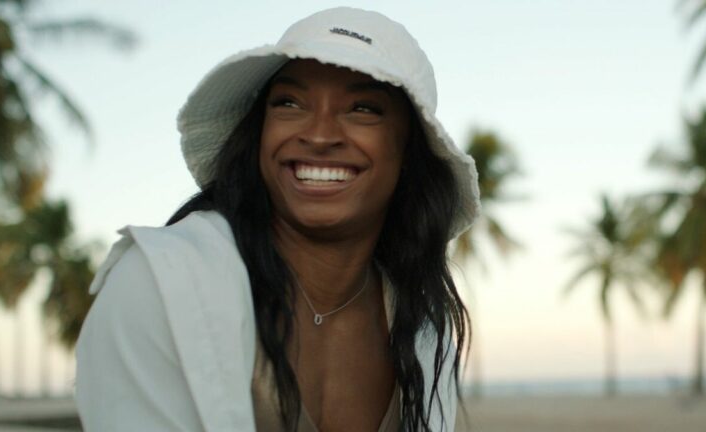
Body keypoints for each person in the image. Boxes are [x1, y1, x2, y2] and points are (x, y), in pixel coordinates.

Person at [75, 7, 480, 432]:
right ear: (259, 133)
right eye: (289, 102)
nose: (320, 135)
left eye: (363, 108)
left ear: (409, 153)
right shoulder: (161, 285)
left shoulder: (424, 337)